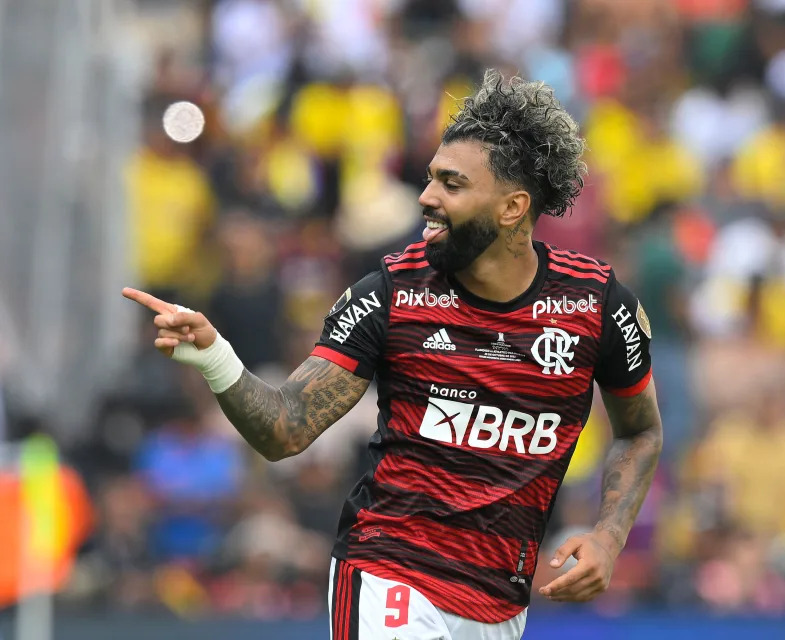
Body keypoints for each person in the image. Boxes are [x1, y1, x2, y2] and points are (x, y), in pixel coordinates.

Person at [123, 70, 663, 640]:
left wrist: (609, 534)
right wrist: (216, 357)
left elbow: (641, 431)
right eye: (430, 179)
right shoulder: (390, 294)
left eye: (451, 185)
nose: (427, 197)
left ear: (513, 207)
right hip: (387, 571)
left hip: (499, 603)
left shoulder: (597, 307)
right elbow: (285, 428)